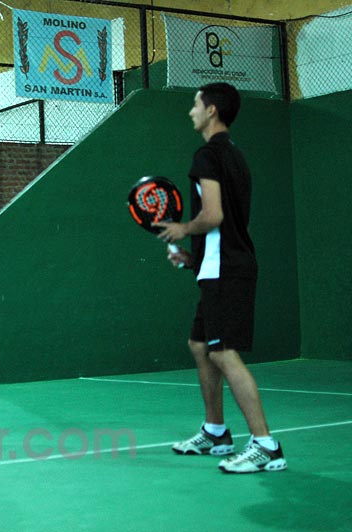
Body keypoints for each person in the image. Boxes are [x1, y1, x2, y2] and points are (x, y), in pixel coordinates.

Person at [155, 83, 287, 474]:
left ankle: (266, 446)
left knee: (223, 351)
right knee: (200, 345)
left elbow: (213, 216)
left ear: (211, 110)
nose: (190, 111)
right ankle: (215, 432)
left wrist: (182, 229)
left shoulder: (207, 156)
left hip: (225, 270)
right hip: (223, 265)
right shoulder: (235, 156)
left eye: (195, 104)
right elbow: (226, 226)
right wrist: (193, 259)